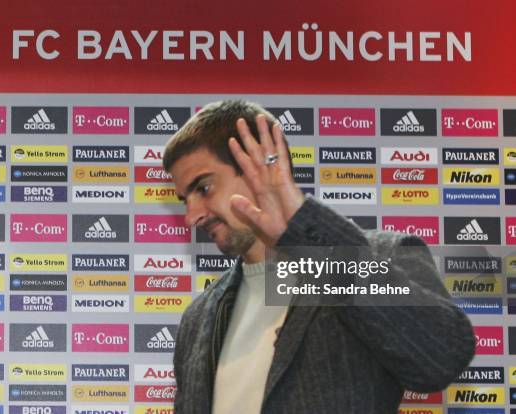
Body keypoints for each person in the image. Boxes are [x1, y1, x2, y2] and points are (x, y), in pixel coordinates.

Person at [162, 100, 475, 414]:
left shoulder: (380, 256)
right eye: (184, 199)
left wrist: (303, 230)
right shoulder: (198, 317)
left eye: (203, 188)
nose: (192, 216)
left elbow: (440, 357)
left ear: (260, 168)